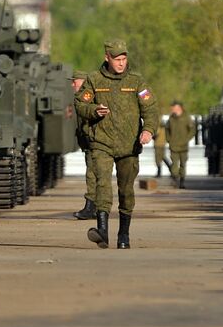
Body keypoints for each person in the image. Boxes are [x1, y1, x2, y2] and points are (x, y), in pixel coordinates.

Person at [75, 38, 157, 249]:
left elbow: (150, 109)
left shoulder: (136, 81)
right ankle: (102, 231)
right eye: (117, 59)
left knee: (126, 190)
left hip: (129, 145)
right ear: (107, 58)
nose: (121, 63)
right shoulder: (94, 80)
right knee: (102, 183)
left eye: (124, 58)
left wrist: (148, 130)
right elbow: (80, 104)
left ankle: (123, 234)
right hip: (102, 142)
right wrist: (94, 110)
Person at [70, 70, 95, 220]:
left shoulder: (88, 96)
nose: (72, 85)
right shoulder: (81, 97)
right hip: (88, 141)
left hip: (94, 141)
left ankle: (91, 207)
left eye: (75, 81)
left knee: (92, 174)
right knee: (93, 174)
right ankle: (95, 208)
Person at [163, 101, 194, 189]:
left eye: (174, 108)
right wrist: (169, 139)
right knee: (174, 165)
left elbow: (192, 130)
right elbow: (167, 129)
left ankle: (182, 182)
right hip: (173, 146)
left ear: (179, 108)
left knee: (183, 164)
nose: (172, 110)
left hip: (183, 146)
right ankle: (175, 179)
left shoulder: (186, 118)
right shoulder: (171, 118)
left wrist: (187, 139)